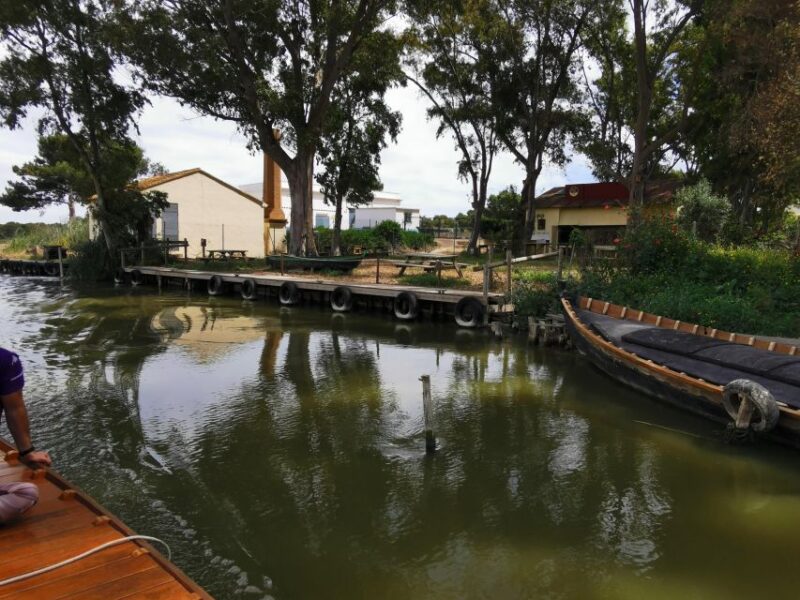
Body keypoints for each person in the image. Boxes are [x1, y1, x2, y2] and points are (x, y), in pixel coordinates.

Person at [0, 347, 51, 524]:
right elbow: (15, 408)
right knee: (26, 494)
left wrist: (26, 451)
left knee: (26, 492)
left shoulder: (6, 360)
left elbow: (14, 408)